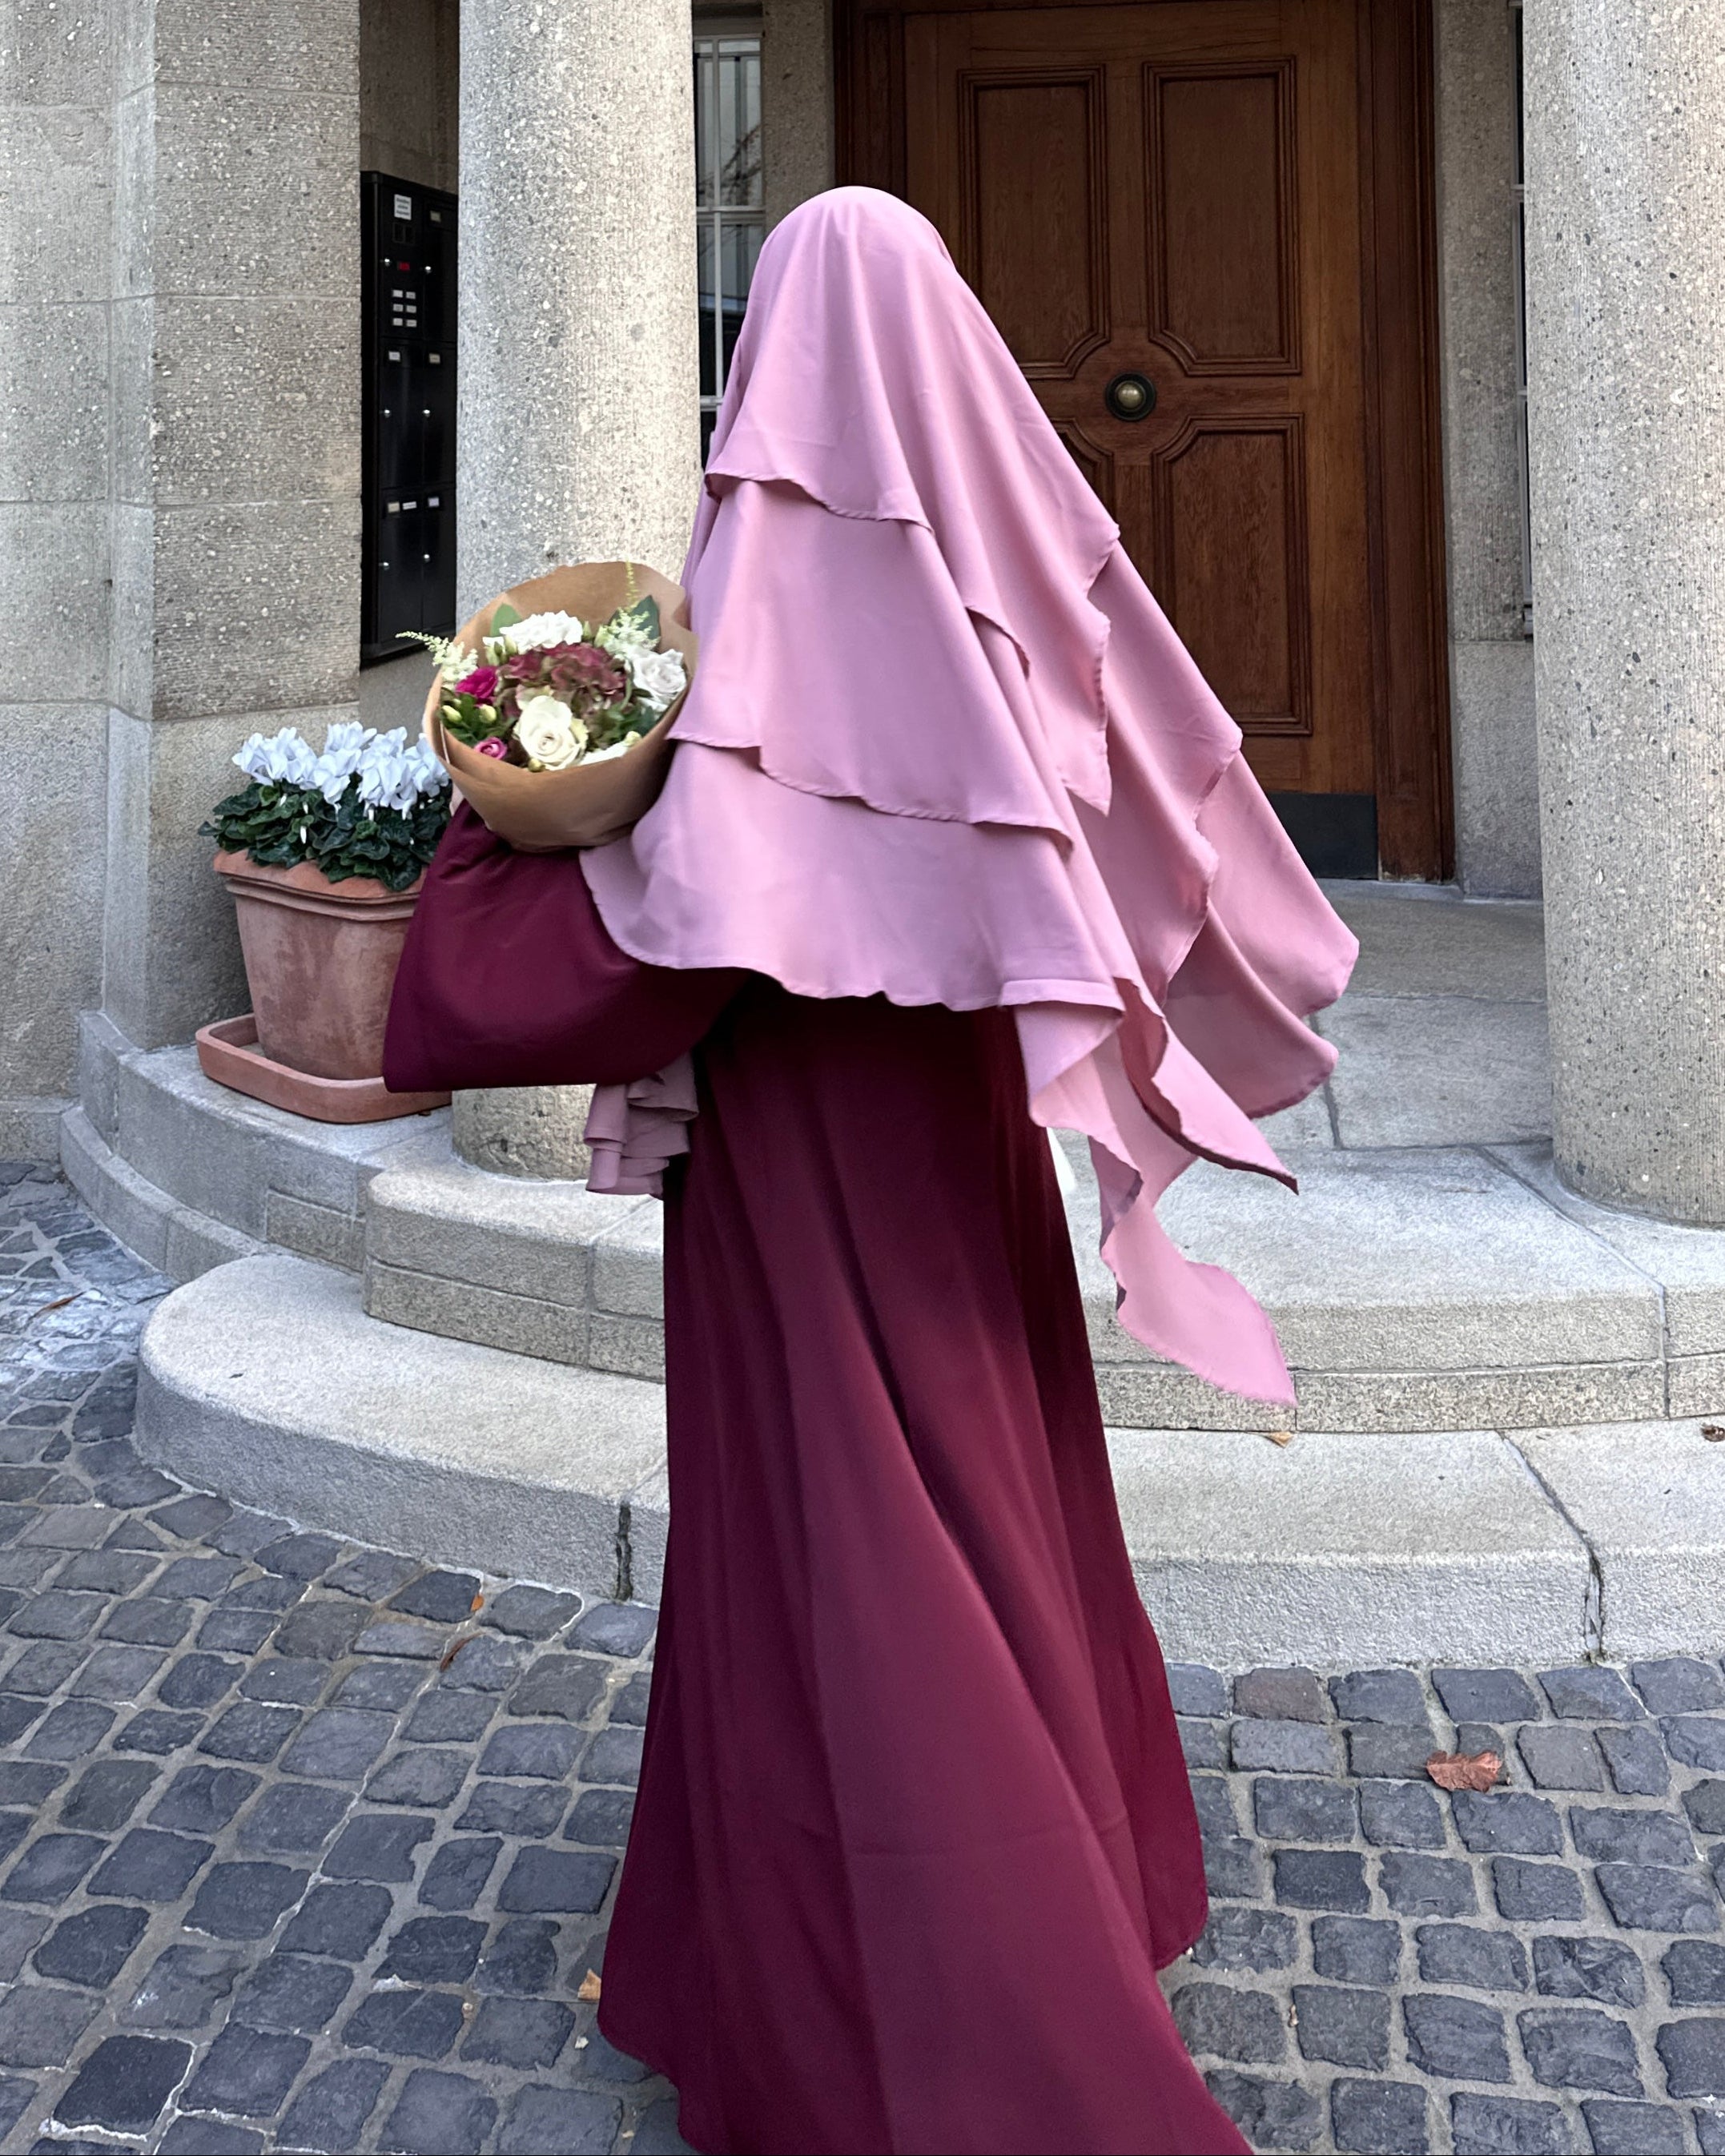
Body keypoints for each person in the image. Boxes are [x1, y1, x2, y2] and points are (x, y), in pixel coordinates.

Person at [387, 186, 1357, 2156]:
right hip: (961, 1132)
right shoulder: (1005, 583)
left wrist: (507, 833)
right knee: (987, 1475)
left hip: (797, 1149)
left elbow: (682, 901)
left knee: (839, 1522)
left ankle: (952, 1995)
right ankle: (1083, 1866)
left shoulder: (763, 596)